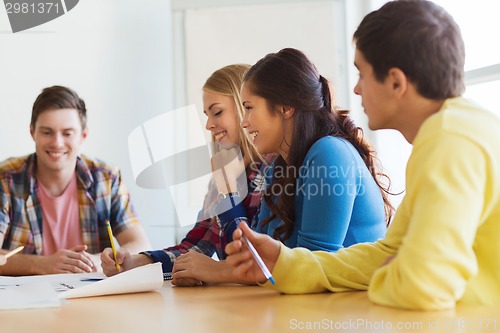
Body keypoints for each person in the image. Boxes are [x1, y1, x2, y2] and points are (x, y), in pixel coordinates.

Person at [225, 0, 500, 310]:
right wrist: (285, 262)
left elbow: (423, 287)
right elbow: (389, 252)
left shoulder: (451, 139)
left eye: (363, 75)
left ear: (396, 82)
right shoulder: (449, 132)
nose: (356, 90)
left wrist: (394, 269)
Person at [170, 48, 394, 285]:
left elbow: (314, 267)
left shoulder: (329, 153)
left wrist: (219, 272)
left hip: (349, 314)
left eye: (249, 107)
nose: (245, 122)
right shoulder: (280, 166)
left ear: (285, 107)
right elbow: (253, 258)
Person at [101, 64, 269, 284]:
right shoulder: (224, 172)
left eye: (217, 112)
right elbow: (196, 246)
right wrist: (134, 263)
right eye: (207, 115)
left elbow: (253, 258)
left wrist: (228, 192)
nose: (209, 125)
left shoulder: (270, 172)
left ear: (243, 108)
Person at [0, 85, 150, 275]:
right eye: (47, 132)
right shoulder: (6, 178)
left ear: (83, 135)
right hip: (27, 299)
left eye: (67, 133)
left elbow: (140, 243)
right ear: (32, 132)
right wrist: (41, 264)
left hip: (91, 296)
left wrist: (98, 261)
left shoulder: (106, 178)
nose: (57, 142)